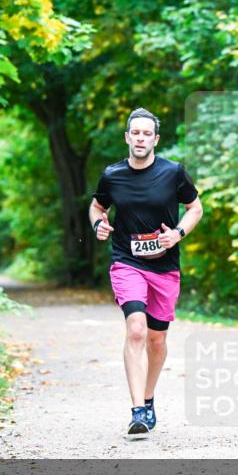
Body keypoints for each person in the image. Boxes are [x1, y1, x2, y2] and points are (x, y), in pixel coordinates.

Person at [89, 108, 203, 438]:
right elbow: (98, 205)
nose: (140, 139)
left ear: (155, 139)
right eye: (134, 133)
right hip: (127, 261)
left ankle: (149, 398)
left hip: (165, 268)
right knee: (136, 329)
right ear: (127, 137)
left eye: (146, 134)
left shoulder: (173, 173)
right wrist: (98, 223)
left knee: (156, 339)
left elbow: (195, 207)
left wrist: (177, 234)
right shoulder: (112, 175)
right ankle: (138, 411)